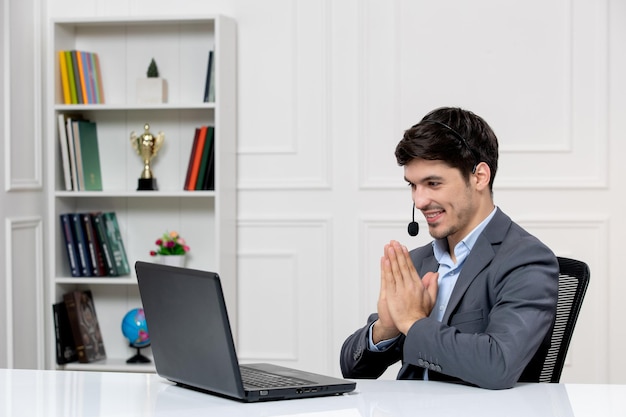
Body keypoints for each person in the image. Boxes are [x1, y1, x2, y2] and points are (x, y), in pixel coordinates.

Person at [340, 107, 558, 390]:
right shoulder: (420, 261)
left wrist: (413, 323)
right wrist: (386, 327)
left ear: (479, 176)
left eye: (433, 183)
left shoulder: (527, 260)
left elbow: (499, 365)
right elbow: (352, 368)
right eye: (413, 186)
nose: (419, 201)